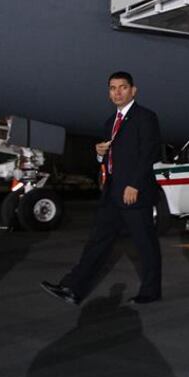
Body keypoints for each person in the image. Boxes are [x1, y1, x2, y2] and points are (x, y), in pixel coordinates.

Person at [41, 71, 163, 306]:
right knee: (97, 242)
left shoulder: (145, 117)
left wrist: (134, 184)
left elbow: (149, 153)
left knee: (144, 244)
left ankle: (151, 291)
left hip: (133, 192)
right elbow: (111, 159)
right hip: (112, 193)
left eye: (122, 87)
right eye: (112, 88)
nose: (117, 92)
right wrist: (99, 157)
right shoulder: (110, 123)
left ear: (133, 90)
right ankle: (73, 289)